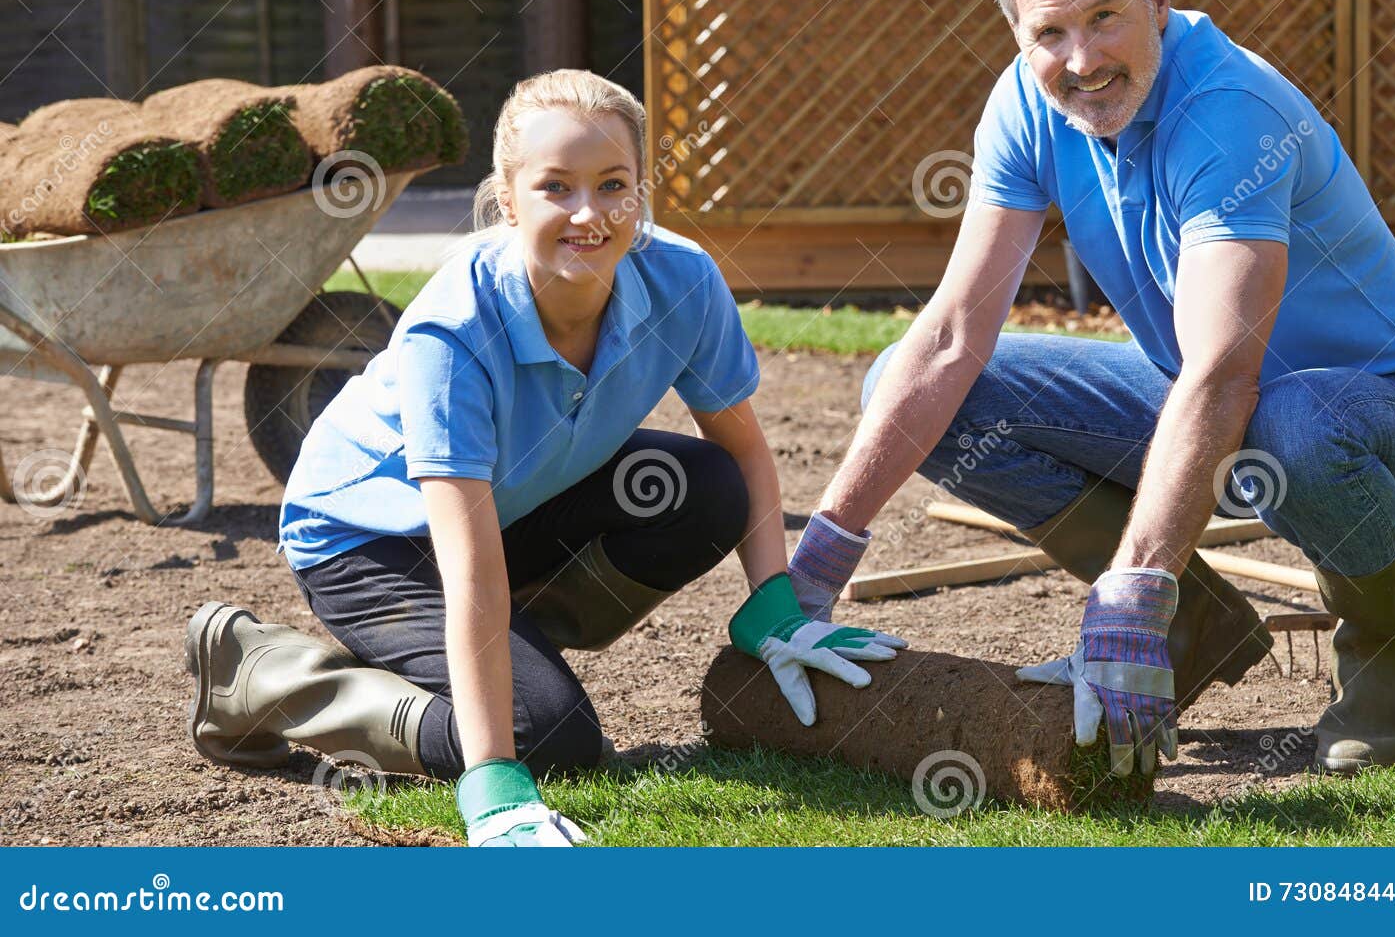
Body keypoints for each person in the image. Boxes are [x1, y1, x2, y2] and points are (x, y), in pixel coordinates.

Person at [785, 0, 1395, 779]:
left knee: (1290, 423)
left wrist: (1129, 590)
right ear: (1019, 34)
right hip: (1208, 396)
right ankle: (1193, 624)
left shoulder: (1229, 115)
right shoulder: (1029, 107)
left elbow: (1228, 373)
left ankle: (1379, 665)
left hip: (1385, 415)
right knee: (905, 387)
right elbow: (952, 336)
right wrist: (815, 567)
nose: (1081, 60)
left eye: (1104, 16)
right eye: (1049, 34)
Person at [185, 69, 903, 847]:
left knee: (707, 490)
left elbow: (745, 450)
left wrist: (776, 605)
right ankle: (261, 672)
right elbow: (469, 568)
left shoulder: (682, 279)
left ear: (640, 193)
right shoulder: (454, 332)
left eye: (613, 184)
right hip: (369, 540)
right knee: (551, 740)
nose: (588, 213)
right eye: (556, 186)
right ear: (507, 196)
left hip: (506, 509)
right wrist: (492, 780)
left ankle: (498, 662)